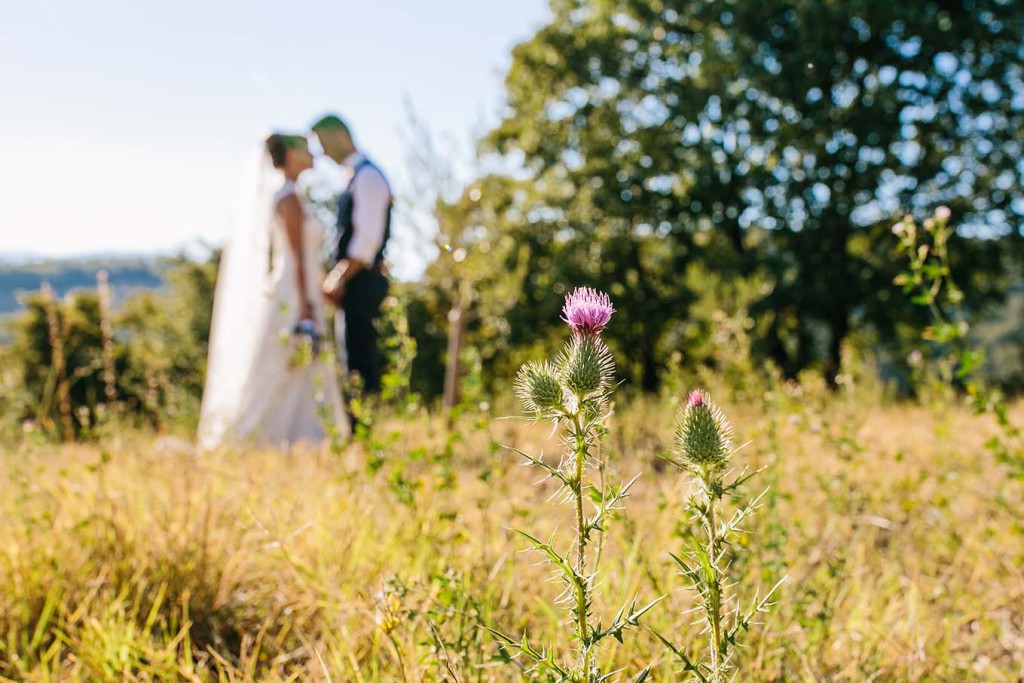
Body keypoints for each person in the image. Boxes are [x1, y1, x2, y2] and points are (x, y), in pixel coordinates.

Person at [197, 133, 349, 449]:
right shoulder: (288, 199)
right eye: (304, 150)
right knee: (285, 360)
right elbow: (295, 258)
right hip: (294, 291)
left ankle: (304, 435)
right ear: (290, 156)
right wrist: (307, 304)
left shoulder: (293, 196)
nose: (312, 155)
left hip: (304, 288)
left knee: (300, 362)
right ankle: (267, 434)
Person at [312, 114, 392, 396]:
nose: (322, 152)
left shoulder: (368, 177)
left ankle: (365, 428)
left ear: (342, 137)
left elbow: (366, 241)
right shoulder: (355, 176)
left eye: (324, 143)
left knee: (360, 360)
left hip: (362, 279)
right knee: (351, 358)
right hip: (355, 279)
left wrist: (338, 278)